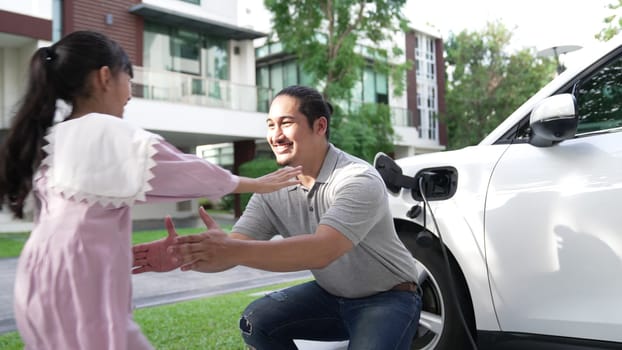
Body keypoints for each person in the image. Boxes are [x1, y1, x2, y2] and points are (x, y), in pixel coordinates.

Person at [0, 30, 301, 350]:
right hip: (77, 289)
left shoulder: (57, 138)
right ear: (105, 77)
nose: (129, 93)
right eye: (128, 78)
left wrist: (116, 255)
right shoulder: (105, 131)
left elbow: (76, 221)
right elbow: (181, 169)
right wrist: (256, 183)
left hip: (39, 283)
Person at [133, 85, 422, 350]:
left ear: (320, 126)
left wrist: (230, 248)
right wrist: (184, 255)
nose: (275, 135)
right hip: (330, 297)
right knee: (256, 320)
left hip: (388, 298)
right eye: (271, 125)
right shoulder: (271, 189)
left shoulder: (357, 179)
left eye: (286, 122)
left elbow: (323, 250)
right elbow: (232, 249)